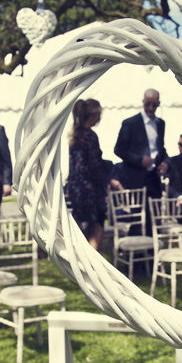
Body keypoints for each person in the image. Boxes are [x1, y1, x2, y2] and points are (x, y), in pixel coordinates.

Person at [66, 98, 120, 251]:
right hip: (91, 190)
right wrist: (108, 180)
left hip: (76, 189)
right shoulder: (90, 136)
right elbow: (95, 166)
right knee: (97, 226)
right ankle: (91, 265)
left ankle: (82, 264)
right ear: (93, 115)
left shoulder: (75, 135)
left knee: (84, 229)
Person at [113, 89, 168, 200]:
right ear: (143, 102)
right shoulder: (130, 123)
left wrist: (166, 163)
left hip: (154, 178)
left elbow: (161, 149)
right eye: (148, 104)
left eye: (154, 105)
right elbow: (119, 149)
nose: (151, 108)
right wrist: (139, 160)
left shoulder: (160, 124)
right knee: (136, 215)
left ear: (158, 104)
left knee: (154, 215)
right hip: (135, 179)